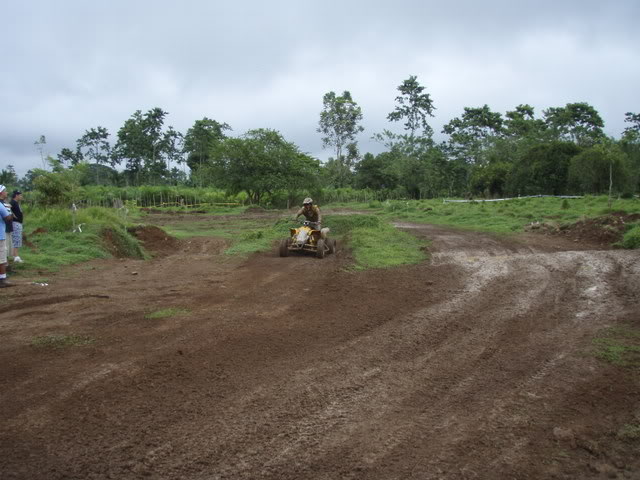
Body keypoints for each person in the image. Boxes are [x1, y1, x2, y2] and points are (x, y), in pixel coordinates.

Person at [0, 185, 14, 287]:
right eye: (5, 191)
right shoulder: (1, 205)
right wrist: (10, 214)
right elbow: (7, 217)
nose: (7, 193)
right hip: (0, 235)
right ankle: (3, 279)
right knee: (2, 258)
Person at [10, 190, 24, 263]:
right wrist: (13, 216)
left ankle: (14, 255)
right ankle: (16, 256)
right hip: (15, 223)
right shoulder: (13, 203)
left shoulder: (16, 203)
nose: (21, 196)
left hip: (18, 223)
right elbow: (8, 211)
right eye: (20, 195)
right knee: (16, 239)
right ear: (16, 195)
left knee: (17, 238)